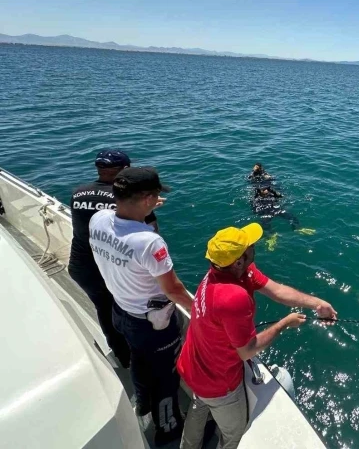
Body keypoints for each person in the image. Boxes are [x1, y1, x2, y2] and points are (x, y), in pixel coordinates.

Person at [177, 224, 337, 449]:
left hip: (193, 365)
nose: (253, 246)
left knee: (198, 408)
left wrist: (318, 304)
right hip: (218, 382)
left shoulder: (223, 271)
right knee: (234, 434)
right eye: (248, 246)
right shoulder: (233, 297)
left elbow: (278, 291)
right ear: (239, 261)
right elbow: (247, 351)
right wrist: (283, 324)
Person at [89, 167, 192, 445]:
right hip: (152, 325)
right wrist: (201, 313)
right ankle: (168, 430)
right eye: (155, 196)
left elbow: (121, 222)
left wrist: (142, 206)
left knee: (138, 361)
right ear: (147, 198)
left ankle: (142, 404)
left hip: (120, 312)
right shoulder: (149, 242)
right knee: (166, 378)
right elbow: (173, 289)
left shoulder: (98, 219)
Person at [68, 149, 161, 369]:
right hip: (110, 266)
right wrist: (147, 207)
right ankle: (142, 358)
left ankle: (122, 356)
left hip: (81, 266)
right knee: (130, 312)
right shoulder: (129, 199)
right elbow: (150, 235)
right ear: (125, 170)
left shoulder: (79, 193)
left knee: (103, 308)